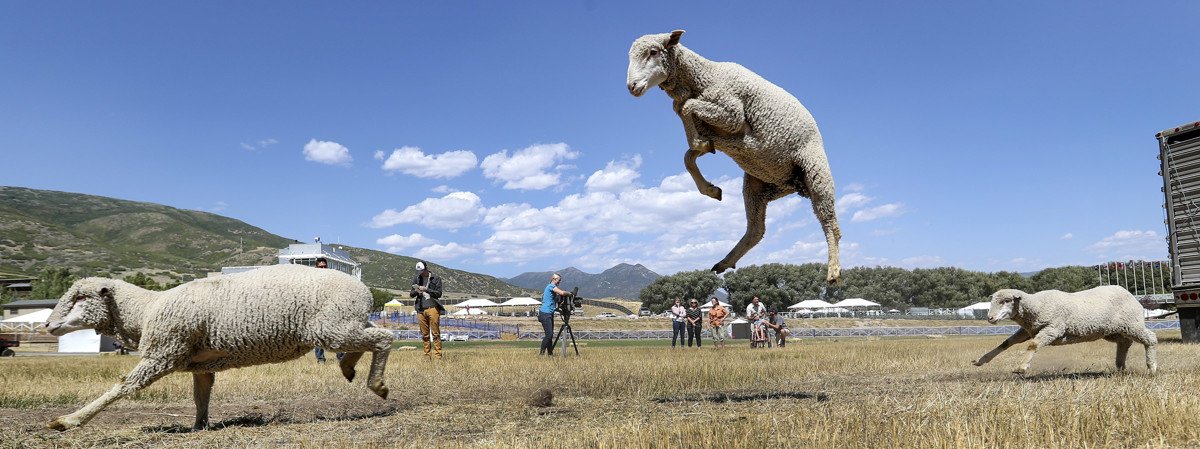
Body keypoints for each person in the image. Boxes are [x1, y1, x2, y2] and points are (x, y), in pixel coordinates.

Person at [410, 261, 446, 360]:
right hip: (420, 309)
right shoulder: (417, 279)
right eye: (419, 271)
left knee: (435, 333)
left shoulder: (436, 279)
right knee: (424, 334)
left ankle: (438, 356)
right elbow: (411, 294)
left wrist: (426, 289)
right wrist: (417, 291)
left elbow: (438, 294)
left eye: (422, 270)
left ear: (426, 268)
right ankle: (427, 356)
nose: (420, 273)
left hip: (433, 308)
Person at [539, 273, 572, 355]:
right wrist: (570, 294)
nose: (559, 282)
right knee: (549, 335)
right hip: (545, 314)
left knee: (549, 335)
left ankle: (550, 353)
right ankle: (541, 354)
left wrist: (561, 311)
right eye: (559, 280)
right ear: (554, 279)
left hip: (548, 313)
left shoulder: (550, 288)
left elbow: (552, 303)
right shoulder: (551, 286)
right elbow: (562, 293)